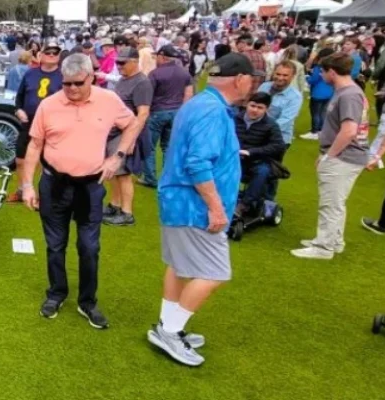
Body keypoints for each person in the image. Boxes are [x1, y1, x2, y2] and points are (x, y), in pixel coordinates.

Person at [150, 53, 259, 367]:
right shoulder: (211, 109)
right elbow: (197, 162)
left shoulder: (200, 103)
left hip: (179, 201)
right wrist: (216, 207)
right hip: (193, 206)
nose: (252, 85)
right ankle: (170, 332)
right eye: (251, 79)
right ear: (240, 79)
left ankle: (167, 326)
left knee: (179, 266)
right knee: (214, 273)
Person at [20, 53, 140, 329]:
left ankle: (87, 302)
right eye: (67, 83)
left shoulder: (109, 100)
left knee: (89, 247)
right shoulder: (49, 105)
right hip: (54, 184)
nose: (72, 89)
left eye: (78, 83)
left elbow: (132, 124)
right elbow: (35, 145)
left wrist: (118, 156)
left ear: (91, 78)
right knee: (55, 245)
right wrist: (27, 185)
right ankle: (56, 293)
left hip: (90, 186)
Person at [293, 53, 371, 260]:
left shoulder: (349, 95)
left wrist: (329, 155)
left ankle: (324, 247)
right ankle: (334, 241)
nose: (320, 74)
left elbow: (349, 130)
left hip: (344, 157)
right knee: (336, 202)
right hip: (344, 155)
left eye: (322, 71)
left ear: (332, 72)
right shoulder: (348, 92)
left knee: (331, 203)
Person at [7, 40, 64, 202]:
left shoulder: (63, 76)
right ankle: (21, 190)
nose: (51, 55)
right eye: (48, 52)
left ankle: (40, 193)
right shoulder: (30, 73)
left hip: (51, 124)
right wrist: (18, 110)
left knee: (44, 161)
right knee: (20, 159)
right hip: (28, 121)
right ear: (40, 55)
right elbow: (19, 97)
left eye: (55, 53)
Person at [104, 47, 153, 227]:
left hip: (126, 133)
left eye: (122, 63)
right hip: (115, 132)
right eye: (117, 62)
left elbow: (143, 113)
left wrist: (131, 139)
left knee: (124, 174)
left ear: (134, 61)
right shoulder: (124, 79)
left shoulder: (142, 82)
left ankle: (127, 213)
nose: (119, 66)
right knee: (114, 172)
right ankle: (114, 205)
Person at [139, 45, 195, 188]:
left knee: (149, 147)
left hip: (157, 112)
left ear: (162, 56)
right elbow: (188, 95)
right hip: (176, 112)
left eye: (156, 56)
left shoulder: (155, 73)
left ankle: (150, 178)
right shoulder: (184, 73)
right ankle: (168, 177)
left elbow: (147, 96)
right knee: (168, 147)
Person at [234, 92, 287, 216]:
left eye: (260, 108)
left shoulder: (271, 125)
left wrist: (251, 152)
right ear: (247, 104)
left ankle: (244, 205)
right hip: (234, 158)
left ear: (266, 109)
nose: (255, 110)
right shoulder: (234, 119)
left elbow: (278, 146)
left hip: (257, 161)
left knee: (262, 171)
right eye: (252, 106)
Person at [301, 48, 338, 141]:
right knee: (323, 112)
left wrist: (307, 78)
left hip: (318, 93)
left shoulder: (319, 67)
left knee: (315, 113)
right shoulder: (334, 67)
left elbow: (314, 79)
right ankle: (321, 130)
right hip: (329, 92)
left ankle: (314, 132)